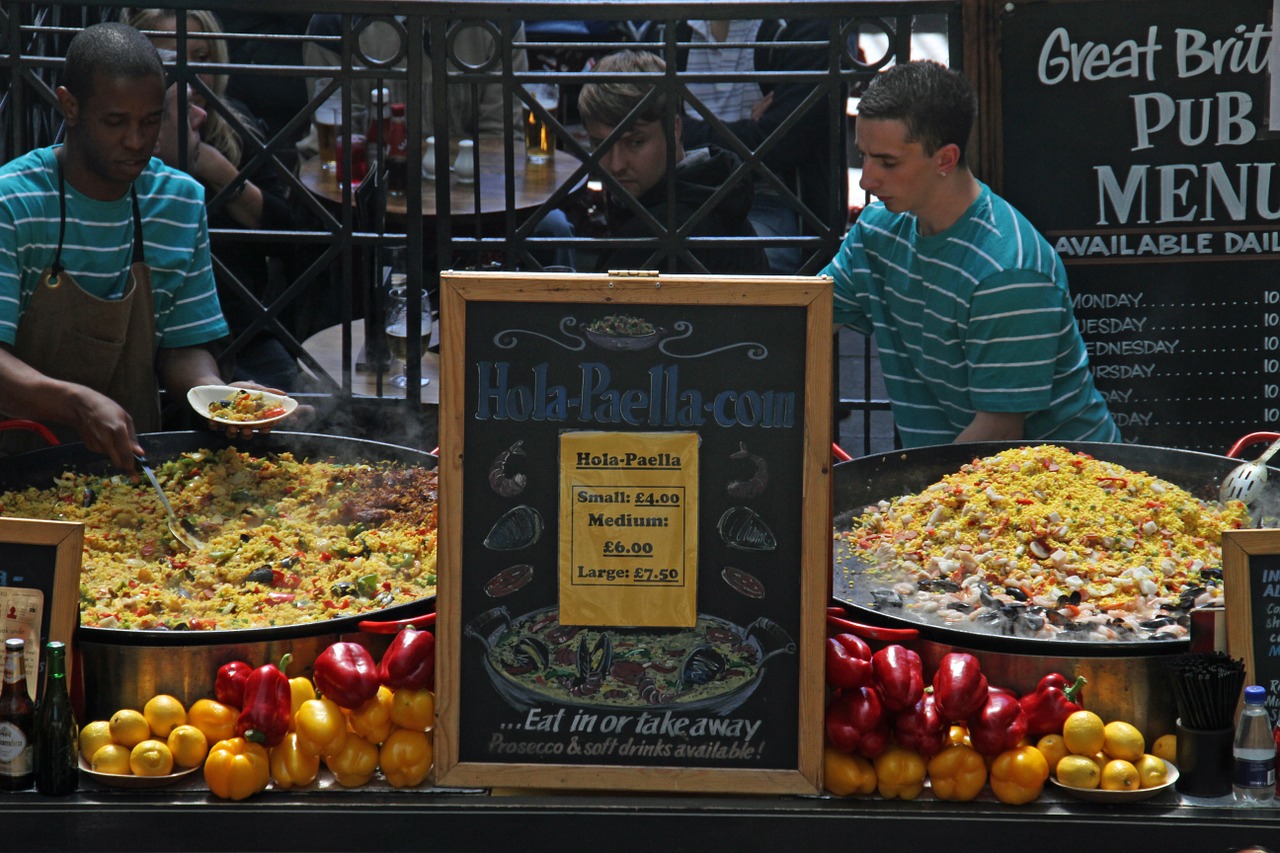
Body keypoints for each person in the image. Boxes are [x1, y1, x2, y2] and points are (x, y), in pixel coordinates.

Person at [0, 22, 280, 472]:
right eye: (115, 122)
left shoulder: (180, 201)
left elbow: (182, 347)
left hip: (134, 472)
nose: (135, 141)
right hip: (19, 463)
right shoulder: (12, 201)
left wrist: (220, 399)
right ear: (69, 106)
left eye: (150, 122)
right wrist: (76, 403)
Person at [822, 60, 1119, 448]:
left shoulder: (1006, 270)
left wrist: (911, 502)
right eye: (864, 155)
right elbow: (808, 320)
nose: (866, 178)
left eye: (888, 162)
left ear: (945, 159)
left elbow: (997, 435)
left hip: (1067, 485)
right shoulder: (876, 230)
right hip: (962, 475)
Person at [123, 7, 301, 391]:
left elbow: (295, 241)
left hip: (241, 327)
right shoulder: (117, 150)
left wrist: (212, 166)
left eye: (200, 59)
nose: (189, 74)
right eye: (170, 60)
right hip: (143, 337)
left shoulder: (236, 122)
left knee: (300, 412)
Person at [577, 49, 767, 275]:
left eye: (635, 142)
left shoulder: (662, 232)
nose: (616, 165)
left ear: (675, 129)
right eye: (601, 145)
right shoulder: (714, 185)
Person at [676, 18, 839, 274]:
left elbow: (779, 144)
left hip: (769, 200)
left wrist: (684, 130)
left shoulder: (801, 23)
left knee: (743, 269)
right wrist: (753, 131)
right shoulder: (671, 24)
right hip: (680, 195)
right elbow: (648, 124)